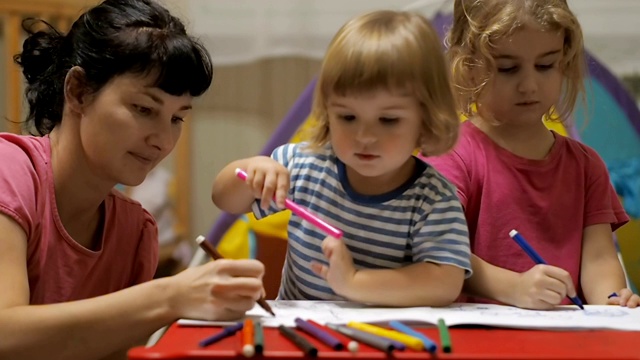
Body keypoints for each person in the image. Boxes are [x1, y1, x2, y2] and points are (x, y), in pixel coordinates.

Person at [0, 1, 266, 359]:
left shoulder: (135, 231)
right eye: (144, 109)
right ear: (78, 91)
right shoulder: (9, 173)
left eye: (176, 119)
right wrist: (169, 296)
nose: (163, 140)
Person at [212, 10, 471, 307]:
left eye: (387, 120)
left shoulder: (434, 198)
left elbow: (444, 283)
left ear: (426, 120)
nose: (364, 135)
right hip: (301, 334)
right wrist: (250, 171)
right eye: (348, 116)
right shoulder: (303, 165)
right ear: (327, 112)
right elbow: (224, 199)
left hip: (389, 340)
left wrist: (355, 282)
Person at [426, 0, 639, 309]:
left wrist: (611, 301)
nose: (529, 85)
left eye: (545, 65)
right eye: (508, 68)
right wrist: (513, 287)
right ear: (469, 66)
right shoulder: (452, 156)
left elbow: (599, 259)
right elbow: (437, 250)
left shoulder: (586, 166)